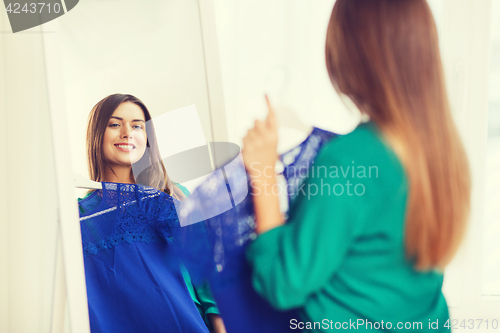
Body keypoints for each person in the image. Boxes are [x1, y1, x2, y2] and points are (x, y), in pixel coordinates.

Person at [242, 0, 470, 332]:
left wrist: (262, 172)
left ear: (350, 55)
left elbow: (284, 283)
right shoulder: (442, 151)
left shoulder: (349, 159)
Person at [79, 93, 226, 333]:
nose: (127, 132)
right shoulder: (80, 217)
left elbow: (208, 275)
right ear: (97, 135)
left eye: (137, 126)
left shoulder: (175, 195)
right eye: (115, 124)